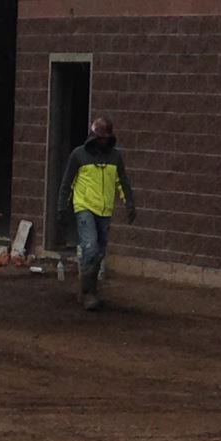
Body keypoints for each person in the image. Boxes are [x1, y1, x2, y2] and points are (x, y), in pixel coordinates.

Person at [57, 116, 139, 313]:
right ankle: (89, 293)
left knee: (99, 252)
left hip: (105, 210)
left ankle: (86, 289)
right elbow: (67, 183)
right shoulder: (78, 155)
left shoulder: (115, 157)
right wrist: (62, 207)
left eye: (105, 138)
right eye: (101, 137)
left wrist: (129, 204)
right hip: (84, 207)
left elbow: (122, 182)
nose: (103, 141)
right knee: (90, 247)